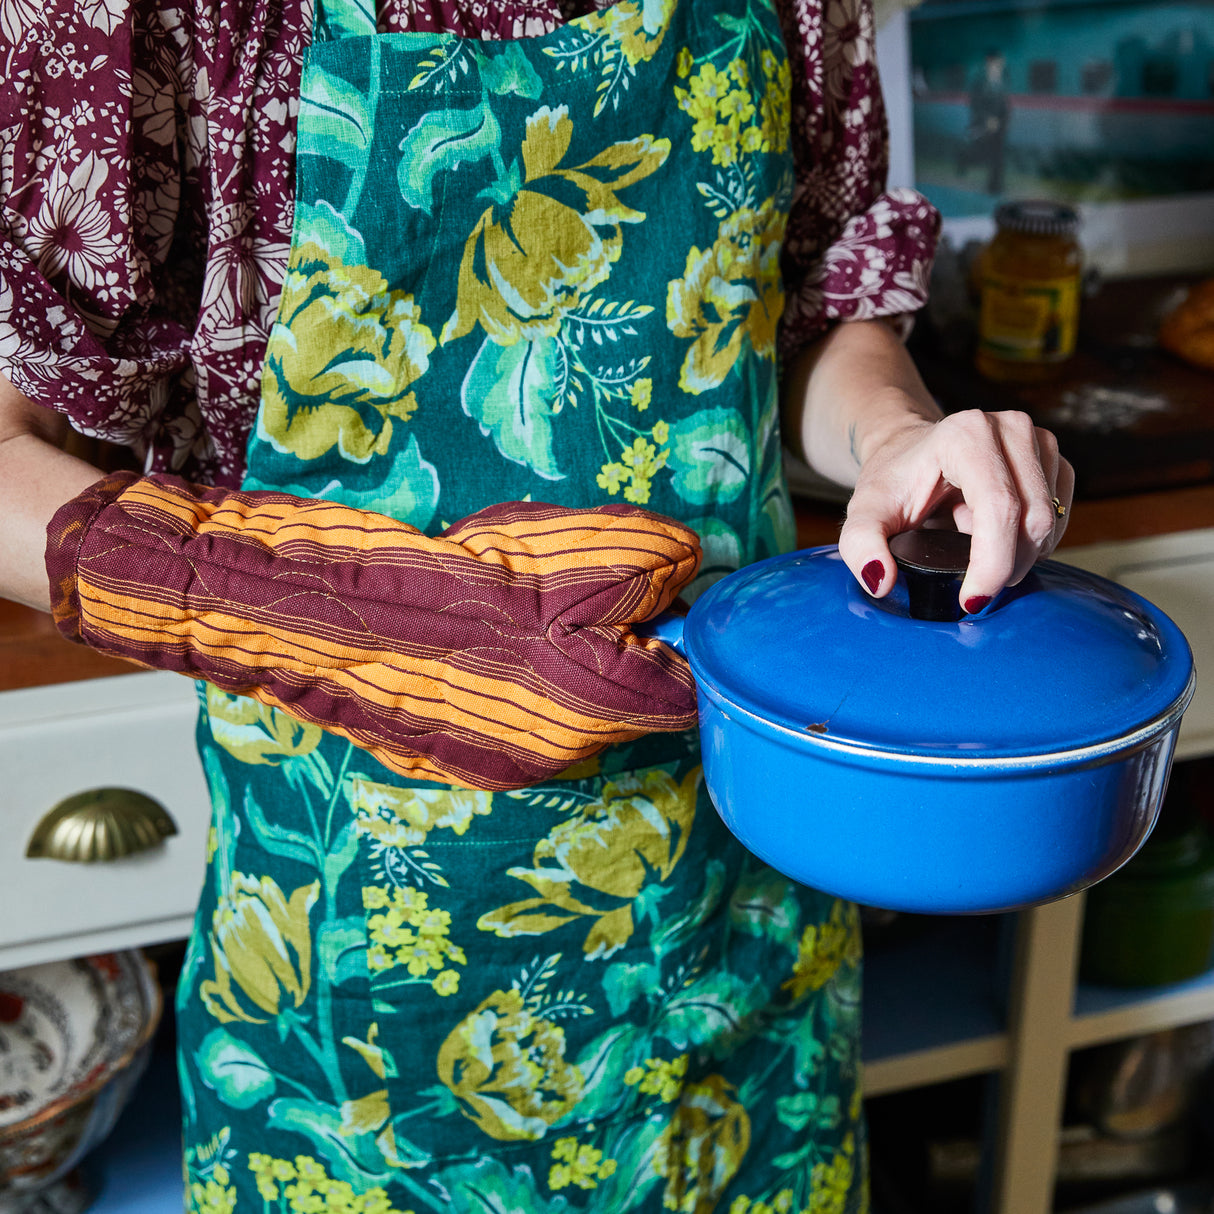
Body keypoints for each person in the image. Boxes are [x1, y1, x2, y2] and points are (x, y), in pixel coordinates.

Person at [0, 0, 1073, 1210]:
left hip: (731, 905)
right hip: (360, 950)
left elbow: (810, 315)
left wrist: (897, 434)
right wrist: (356, 611)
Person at [959, 47, 1011, 195]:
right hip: (984, 124)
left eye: (1000, 62)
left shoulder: (1003, 79)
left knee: (998, 155)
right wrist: (987, 119)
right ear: (989, 62)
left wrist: (1003, 121)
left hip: (1000, 125)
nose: (999, 65)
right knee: (981, 153)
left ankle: (995, 186)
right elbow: (975, 103)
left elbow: (1004, 103)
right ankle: (964, 158)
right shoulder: (979, 81)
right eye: (997, 62)